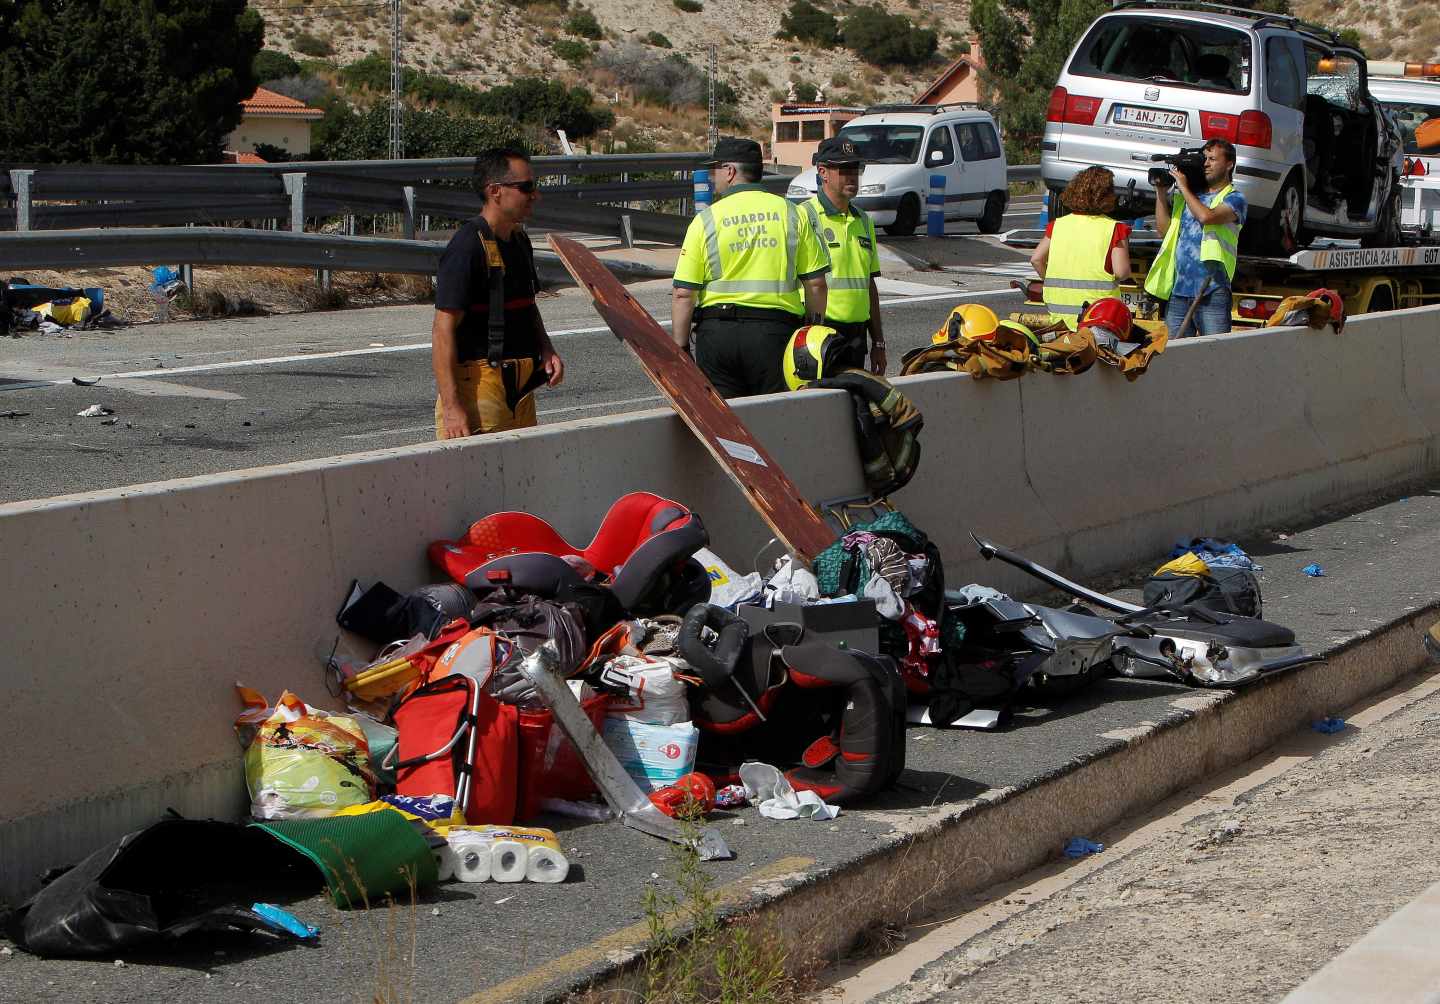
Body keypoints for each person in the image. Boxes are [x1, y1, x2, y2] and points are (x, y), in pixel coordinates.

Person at [671, 136, 830, 398]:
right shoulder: (793, 214)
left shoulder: (706, 219)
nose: (712, 177)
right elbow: (816, 284)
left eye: (715, 170)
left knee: (726, 425)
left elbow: (683, 294)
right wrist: (810, 332)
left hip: (717, 337)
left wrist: (682, 347)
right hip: (775, 335)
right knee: (775, 418)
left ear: (730, 171)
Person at [431, 146, 564, 440]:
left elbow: (527, 305)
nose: (535, 195)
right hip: (478, 391)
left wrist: (546, 349)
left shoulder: (519, 241)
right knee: (477, 484)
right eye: (526, 187)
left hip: (520, 389)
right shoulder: (467, 247)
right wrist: (453, 407)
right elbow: (442, 330)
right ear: (495, 191)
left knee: (522, 480)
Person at [1143, 138, 1246, 338]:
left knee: (1214, 353)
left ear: (1229, 164)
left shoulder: (1234, 198)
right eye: (1204, 158)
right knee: (1173, 355)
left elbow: (1207, 217)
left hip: (1212, 289)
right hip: (1180, 290)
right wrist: (1161, 194)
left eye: (1213, 159)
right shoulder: (1188, 198)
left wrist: (1184, 187)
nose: (1206, 164)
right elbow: (1164, 232)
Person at [800, 136, 886, 374]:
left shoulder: (863, 220)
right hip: (820, 334)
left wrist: (878, 342)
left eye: (856, 169)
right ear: (823, 172)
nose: (852, 176)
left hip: (856, 337)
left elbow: (869, 284)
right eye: (844, 169)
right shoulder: (804, 216)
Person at [1030, 166, 1132, 330]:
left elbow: (1036, 259)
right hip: (1097, 318)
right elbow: (1122, 272)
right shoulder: (1114, 228)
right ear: (1107, 196)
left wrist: (1049, 281)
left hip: (1059, 317)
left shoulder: (1058, 225)